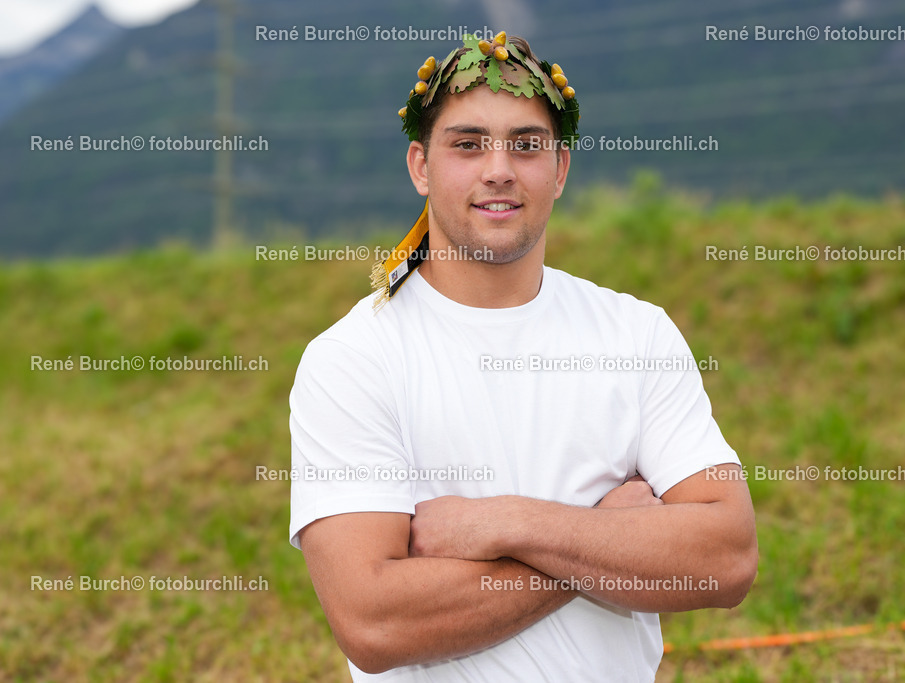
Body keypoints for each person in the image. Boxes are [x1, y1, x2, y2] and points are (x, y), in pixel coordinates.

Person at [289, 31, 757, 682]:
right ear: (421, 166)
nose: (499, 168)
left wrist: (507, 523)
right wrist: (602, 539)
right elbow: (373, 620)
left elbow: (727, 556)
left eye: (527, 144)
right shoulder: (352, 359)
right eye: (468, 143)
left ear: (560, 169)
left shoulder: (635, 334)